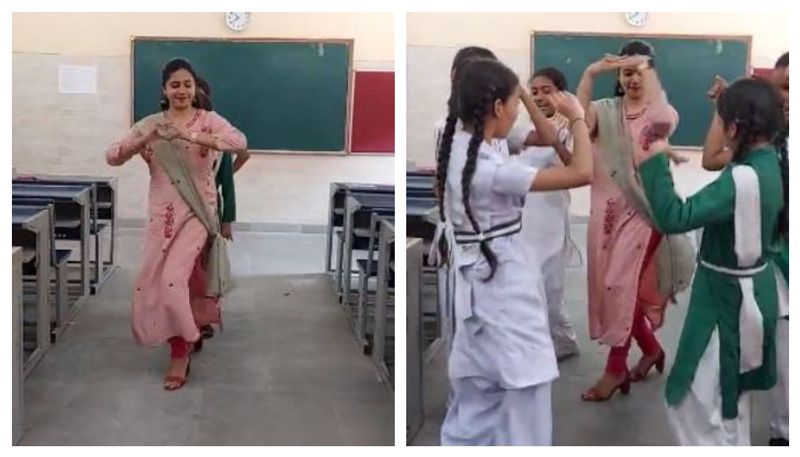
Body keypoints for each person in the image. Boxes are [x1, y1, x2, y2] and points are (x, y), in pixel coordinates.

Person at [433, 58, 592, 445]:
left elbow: (540, 139)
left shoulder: (462, 146)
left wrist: (517, 88)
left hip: (482, 288)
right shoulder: (488, 168)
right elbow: (583, 172)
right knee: (524, 396)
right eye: (516, 101)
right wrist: (578, 119)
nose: (521, 107)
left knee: (478, 401)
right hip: (502, 292)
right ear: (499, 107)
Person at [639, 77, 785, 445]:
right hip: (750, 289)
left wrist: (654, 161)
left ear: (733, 128)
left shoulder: (743, 179)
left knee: (695, 402)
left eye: (720, 121)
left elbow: (675, 216)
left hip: (728, 300)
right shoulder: (769, 163)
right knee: (730, 398)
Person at [106, 58, 247, 390]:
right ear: (164, 90)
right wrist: (145, 139)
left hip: (198, 214)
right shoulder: (150, 124)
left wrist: (190, 135)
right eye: (175, 85)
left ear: (194, 88)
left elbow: (239, 142)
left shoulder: (209, 121)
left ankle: (181, 351)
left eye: (187, 84)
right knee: (159, 283)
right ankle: (186, 333)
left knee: (171, 281)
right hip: (161, 217)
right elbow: (112, 155)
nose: (181, 90)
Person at [575, 40, 694, 401]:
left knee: (619, 286)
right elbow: (578, 121)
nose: (634, 80)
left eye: (643, 73)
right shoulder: (604, 109)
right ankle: (653, 350)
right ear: (618, 74)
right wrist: (589, 73)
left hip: (645, 213)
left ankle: (615, 369)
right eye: (628, 72)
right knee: (616, 289)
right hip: (606, 214)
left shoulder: (661, 112)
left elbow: (659, 125)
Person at [703, 52, 789, 446]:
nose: (783, 96)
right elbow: (710, 159)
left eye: (789, 87)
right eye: (779, 87)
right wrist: (724, 115)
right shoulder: (765, 143)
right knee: (766, 358)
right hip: (768, 264)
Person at [513, 67, 580, 360]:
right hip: (526, 217)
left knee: (550, 285)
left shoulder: (571, 128)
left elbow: (575, 166)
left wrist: (554, 139)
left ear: (561, 93)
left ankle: (562, 340)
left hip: (551, 216)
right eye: (534, 91)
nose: (539, 96)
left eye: (546, 90)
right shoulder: (528, 131)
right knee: (528, 282)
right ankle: (535, 343)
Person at [193, 77, 251, 344]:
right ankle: (186, 316)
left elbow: (227, 187)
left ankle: (204, 318)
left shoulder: (220, 147)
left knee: (207, 266)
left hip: (210, 216)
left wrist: (227, 221)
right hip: (181, 214)